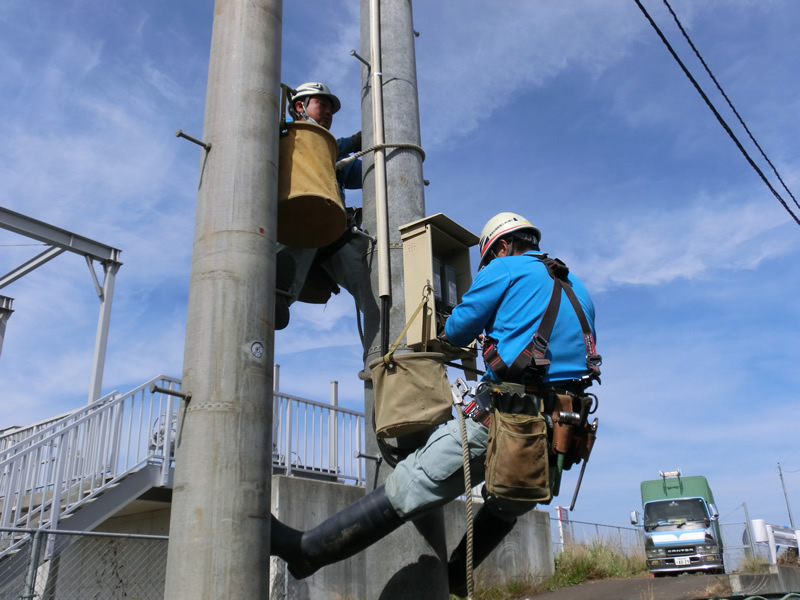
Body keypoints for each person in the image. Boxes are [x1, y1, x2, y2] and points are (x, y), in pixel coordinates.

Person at [270, 212, 601, 596]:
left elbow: (457, 329)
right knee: (509, 501)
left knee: (414, 480)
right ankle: (457, 574)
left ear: (503, 247)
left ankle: (307, 551)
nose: (487, 267)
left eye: (487, 260)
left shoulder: (506, 268)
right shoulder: (576, 285)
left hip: (508, 419)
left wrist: (444, 325)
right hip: (563, 427)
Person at [275, 82, 376, 338]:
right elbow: (313, 143)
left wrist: (389, 157)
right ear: (300, 106)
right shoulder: (288, 134)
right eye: (323, 104)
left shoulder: (333, 156)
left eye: (332, 108)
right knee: (307, 224)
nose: (329, 112)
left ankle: (389, 328)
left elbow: (367, 174)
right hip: (300, 217)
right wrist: (354, 142)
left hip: (332, 230)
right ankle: (276, 296)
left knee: (372, 279)